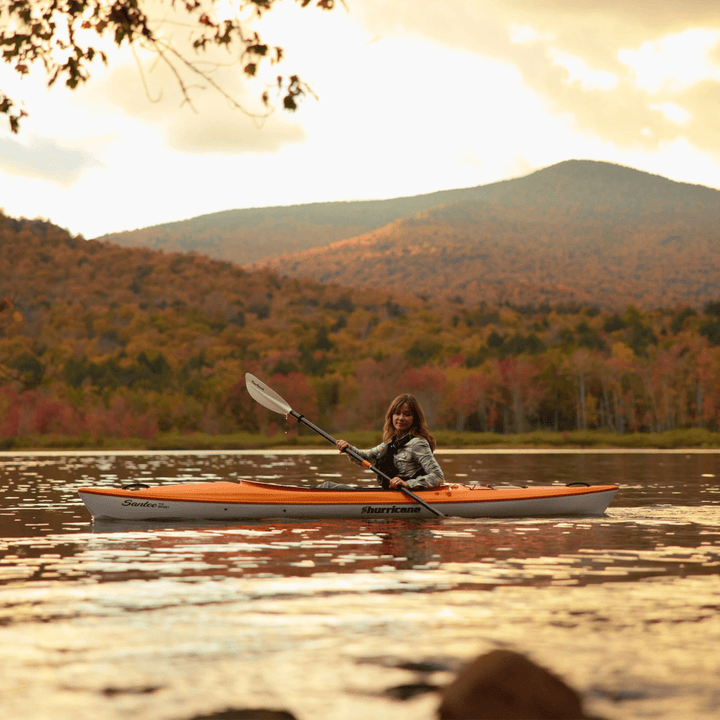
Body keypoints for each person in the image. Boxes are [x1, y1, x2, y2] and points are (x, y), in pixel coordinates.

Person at [329, 394, 444, 491]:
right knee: (329, 486)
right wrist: (348, 448)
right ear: (391, 416)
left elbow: (438, 476)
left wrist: (407, 484)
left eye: (407, 414)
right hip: (390, 493)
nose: (401, 418)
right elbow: (365, 457)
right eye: (397, 413)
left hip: (410, 494)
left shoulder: (417, 444)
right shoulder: (390, 444)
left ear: (415, 418)